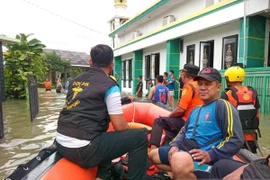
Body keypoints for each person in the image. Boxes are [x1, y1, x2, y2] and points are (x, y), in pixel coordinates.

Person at [55, 44, 148, 180]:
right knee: (139, 138)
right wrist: (131, 128)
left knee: (103, 136)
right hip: (83, 148)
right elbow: (119, 126)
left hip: (61, 142)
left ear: (90, 62)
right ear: (111, 65)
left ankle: (102, 176)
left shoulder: (75, 81)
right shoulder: (109, 85)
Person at [148, 67, 244, 179]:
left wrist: (210, 154)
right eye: (200, 84)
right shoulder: (196, 109)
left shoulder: (223, 106)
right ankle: (181, 174)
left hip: (206, 156)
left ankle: (185, 173)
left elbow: (236, 139)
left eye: (207, 84)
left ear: (218, 87)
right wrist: (175, 145)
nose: (202, 88)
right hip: (187, 149)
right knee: (152, 155)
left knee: (178, 160)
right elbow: (184, 131)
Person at [148, 64, 202, 150]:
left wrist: (169, 116)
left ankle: (153, 149)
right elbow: (170, 100)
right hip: (197, 121)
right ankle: (167, 149)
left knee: (159, 121)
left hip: (187, 121)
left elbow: (181, 109)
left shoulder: (189, 86)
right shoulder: (200, 86)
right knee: (170, 131)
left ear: (184, 75)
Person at [221, 66, 261, 154]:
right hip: (251, 137)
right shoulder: (252, 92)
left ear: (229, 78)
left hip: (233, 138)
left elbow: (222, 117)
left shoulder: (227, 94)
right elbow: (257, 114)